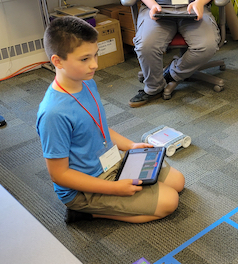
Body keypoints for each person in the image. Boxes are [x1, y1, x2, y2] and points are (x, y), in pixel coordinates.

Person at [36, 16, 185, 224]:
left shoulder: (86, 82)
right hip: (84, 187)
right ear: (57, 61)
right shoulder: (53, 113)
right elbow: (59, 175)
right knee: (170, 201)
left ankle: (116, 192)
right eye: (85, 59)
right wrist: (115, 189)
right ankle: (85, 213)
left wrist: (131, 146)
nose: (94, 65)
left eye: (95, 55)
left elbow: (99, 128)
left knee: (178, 182)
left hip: (111, 161)